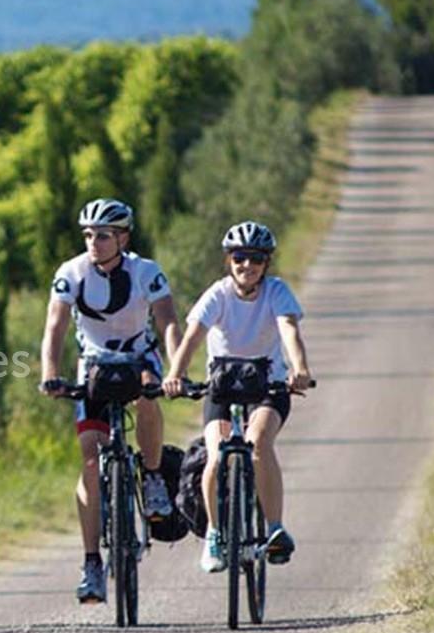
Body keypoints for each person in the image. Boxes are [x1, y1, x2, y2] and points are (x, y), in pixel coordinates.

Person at [40, 198, 181, 604]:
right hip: (95, 364)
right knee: (89, 456)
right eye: (87, 235)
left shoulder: (146, 272)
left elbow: (168, 320)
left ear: (122, 237)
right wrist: (50, 371)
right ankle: (91, 564)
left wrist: (172, 369)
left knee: (148, 397)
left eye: (102, 235)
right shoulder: (72, 273)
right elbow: (55, 325)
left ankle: (153, 476)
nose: (93, 243)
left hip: (140, 357)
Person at [161, 220, 313, 573]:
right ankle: (215, 533)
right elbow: (193, 337)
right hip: (222, 388)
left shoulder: (276, 292)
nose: (247, 266)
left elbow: (289, 330)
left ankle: (274, 529)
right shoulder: (218, 294)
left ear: (266, 264)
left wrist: (300, 369)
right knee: (216, 455)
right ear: (229, 260)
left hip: (269, 387)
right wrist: (175, 375)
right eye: (240, 258)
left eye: (256, 259)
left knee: (258, 442)